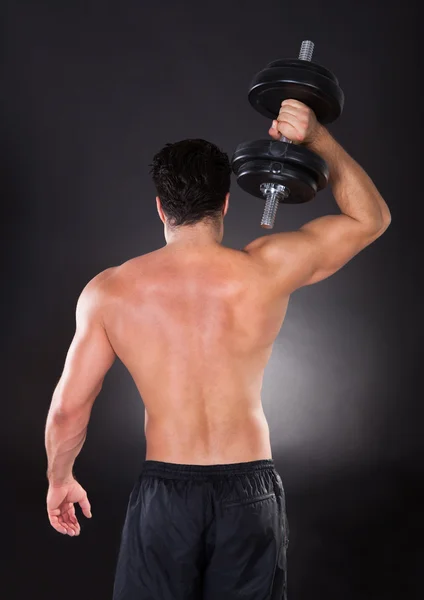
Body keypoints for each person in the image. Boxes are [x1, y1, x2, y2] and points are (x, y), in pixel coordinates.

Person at [44, 99, 391, 599]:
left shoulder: (110, 292)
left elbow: (67, 411)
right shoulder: (267, 269)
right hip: (249, 494)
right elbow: (370, 218)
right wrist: (316, 137)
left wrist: (60, 479)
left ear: (160, 206)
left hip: (166, 495)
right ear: (226, 202)